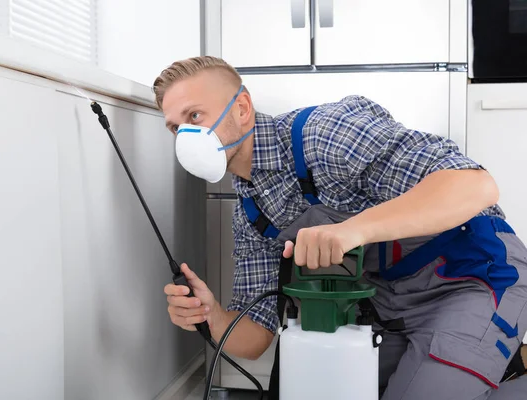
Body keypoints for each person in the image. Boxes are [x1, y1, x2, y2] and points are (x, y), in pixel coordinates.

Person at [154, 55, 527, 399]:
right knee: (326, 388)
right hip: (390, 306)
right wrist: (212, 315)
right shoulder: (251, 215)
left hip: (474, 275)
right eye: (175, 127)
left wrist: (353, 230)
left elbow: (474, 185)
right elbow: (257, 338)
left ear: (242, 108)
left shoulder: (324, 134)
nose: (185, 136)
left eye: (195, 117)